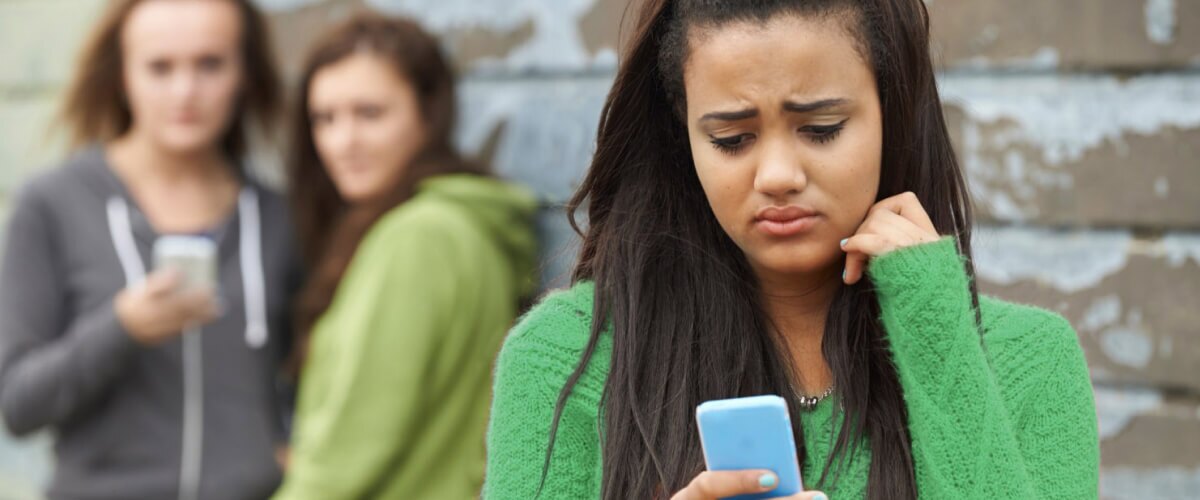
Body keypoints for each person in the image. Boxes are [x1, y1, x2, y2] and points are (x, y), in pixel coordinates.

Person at [484, 0, 1099, 499]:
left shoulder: (1028, 362)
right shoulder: (563, 358)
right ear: (683, 134)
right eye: (731, 138)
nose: (777, 174)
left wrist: (936, 331)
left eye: (821, 129)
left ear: (893, 110)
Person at [0, 1, 299, 499]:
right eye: (159, 67)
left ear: (244, 73)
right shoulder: (52, 204)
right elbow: (18, 403)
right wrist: (121, 327)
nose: (185, 91)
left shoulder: (278, 216)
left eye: (210, 64)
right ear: (122, 75)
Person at [272, 14, 537, 500]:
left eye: (369, 113)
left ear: (428, 113)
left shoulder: (417, 237)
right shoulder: (463, 221)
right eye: (324, 119)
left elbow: (350, 450)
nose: (342, 141)